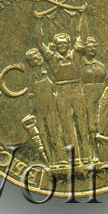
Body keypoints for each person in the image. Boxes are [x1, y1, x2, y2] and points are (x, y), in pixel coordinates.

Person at [36, 30, 91, 165]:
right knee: (66, 127)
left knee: (82, 124)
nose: (62, 46)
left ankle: (87, 156)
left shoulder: (76, 55)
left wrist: (83, 17)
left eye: (64, 43)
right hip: (61, 92)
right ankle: (74, 158)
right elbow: (39, 43)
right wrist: (38, 21)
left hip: (76, 90)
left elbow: (84, 37)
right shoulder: (52, 58)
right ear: (55, 46)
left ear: (68, 44)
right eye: (59, 44)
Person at [24, 48, 65, 167]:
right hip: (39, 109)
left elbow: (57, 90)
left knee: (54, 132)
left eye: (39, 56)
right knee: (42, 134)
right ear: (30, 63)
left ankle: (61, 158)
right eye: (35, 58)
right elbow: (31, 95)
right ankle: (50, 160)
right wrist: (31, 111)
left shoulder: (50, 71)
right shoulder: (31, 77)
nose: (39, 58)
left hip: (52, 107)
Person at [80, 37, 108, 160]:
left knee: (101, 123)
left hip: (101, 95)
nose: (93, 49)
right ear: (84, 49)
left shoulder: (100, 65)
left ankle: (103, 151)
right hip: (86, 96)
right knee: (90, 125)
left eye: (95, 46)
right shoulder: (78, 65)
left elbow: (107, 80)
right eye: (90, 47)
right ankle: (92, 152)